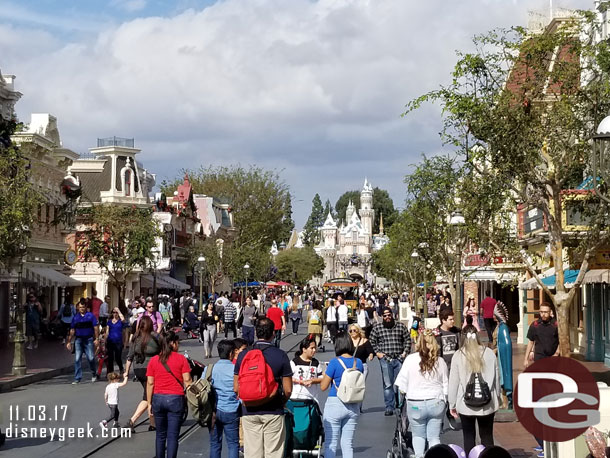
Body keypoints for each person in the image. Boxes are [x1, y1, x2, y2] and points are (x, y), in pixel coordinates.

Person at [233, 317, 293, 458]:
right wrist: (281, 400)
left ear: (255, 332)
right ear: (273, 333)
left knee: (253, 453)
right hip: (273, 411)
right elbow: (288, 389)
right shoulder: (280, 355)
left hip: (249, 411)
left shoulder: (243, 355)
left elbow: (236, 388)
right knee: (273, 453)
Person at [394, 329, 448, 458]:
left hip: (415, 402)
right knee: (434, 437)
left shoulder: (410, 360)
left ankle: (419, 455)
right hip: (436, 401)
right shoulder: (440, 361)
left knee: (418, 435)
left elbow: (401, 386)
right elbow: (446, 384)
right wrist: (446, 401)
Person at [448, 325, 500, 455]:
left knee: (469, 436)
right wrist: (497, 397)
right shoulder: (489, 353)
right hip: (487, 403)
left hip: (466, 404)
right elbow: (497, 379)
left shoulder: (458, 355)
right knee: (487, 436)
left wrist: (452, 403)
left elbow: (453, 382)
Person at [146, 331, 192, 458]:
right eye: (177, 342)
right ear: (172, 343)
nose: (178, 345)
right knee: (172, 436)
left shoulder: (154, 360)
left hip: (158, 399)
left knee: (160, 435)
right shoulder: (181, 359)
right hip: (175, 399)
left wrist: (149, 403)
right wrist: (191, 397)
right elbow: (187, 380)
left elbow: (150, 383)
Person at [320, 331, 364, 458]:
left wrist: (325, 373)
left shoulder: (334, 362)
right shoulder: (358, 362)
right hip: (353, 404)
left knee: (331, 443)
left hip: (335, 402)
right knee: (347, 443)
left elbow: (323, 386)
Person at [523, 302, 558, 457]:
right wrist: (525, 359)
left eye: (546, 312)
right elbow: (530, 342)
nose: (543, 314)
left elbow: (563, 341)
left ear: (550, 312)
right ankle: (542, 443)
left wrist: (557, 353)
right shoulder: (535, 325)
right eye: (541, 312)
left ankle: (547, 445)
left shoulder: (556, 325)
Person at [369, 307, 411, 416]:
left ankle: (400, 405)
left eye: (389, 315)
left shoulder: (400, 326)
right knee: (388, 384)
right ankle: (389, 407)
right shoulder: (378, 328)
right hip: (385, 359)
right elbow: (372, 341)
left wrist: (404, 353)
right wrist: (377, 352)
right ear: (382, 317)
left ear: (392, 315)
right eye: (385, 315)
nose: (387, 317)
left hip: (399, 358)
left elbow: (407, 340)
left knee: (401, 384)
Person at [125, 315, 160, 432]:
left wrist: (126, 373)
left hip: (138, 370)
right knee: (148, 396)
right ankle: (132, 421)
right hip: (150, 370)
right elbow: (165, 351)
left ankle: (153, 423)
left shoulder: (135, 338)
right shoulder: (154, 337)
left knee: (151, 394)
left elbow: (129, 357)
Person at [210, 339, 240, 458]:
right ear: (231, 353)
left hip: (213, 411)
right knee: (233, 444)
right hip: (231, 410)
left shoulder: (210, 369)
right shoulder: (235, 371)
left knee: (214, 443)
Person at [66, 301, 99, 384]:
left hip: (88, 339)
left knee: (91, 358)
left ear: (86, 307)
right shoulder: (76, 318)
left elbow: (95, 328)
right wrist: (69, 341)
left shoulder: (90, 316)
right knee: (77, 359)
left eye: (83, 307)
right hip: (79, 340)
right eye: (80, 307)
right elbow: (72, 330)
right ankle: (77, 378)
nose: (81, 309)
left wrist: (97, 339)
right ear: (78, 308)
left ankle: (94, 373)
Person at [492, 302, 513, 410]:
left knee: (503, 377)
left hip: (501, 356)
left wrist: (497, 350)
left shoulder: (503, 327)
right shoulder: (499, 326)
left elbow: (506, 343)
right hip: (497, 356)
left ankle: (507, 401)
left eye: (494, 315)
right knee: (499, 378)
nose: (493, 316)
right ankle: (503, 401)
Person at [290, 335, 323, 402]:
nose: (314, 350)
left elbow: (321, 378)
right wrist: (299, 381)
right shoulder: (294, 362)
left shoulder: (316, 363)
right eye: (312, 348)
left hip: (311, 398)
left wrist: (312, 381)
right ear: (304, 349)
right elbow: (288, 377)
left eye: (315, 348)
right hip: (296, 397)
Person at [106, 307, 129, 374]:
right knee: (110, 358)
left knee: (117, 357)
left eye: (116, 312)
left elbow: (123, 319)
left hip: (118, 342)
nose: (115, 314)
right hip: (110, 341)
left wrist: (118, 311)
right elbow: (107, 331)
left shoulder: (120, 321)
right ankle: (111, 372)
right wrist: (104, 340)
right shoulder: (109, 321)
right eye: (114, 312)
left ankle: (121, 368)